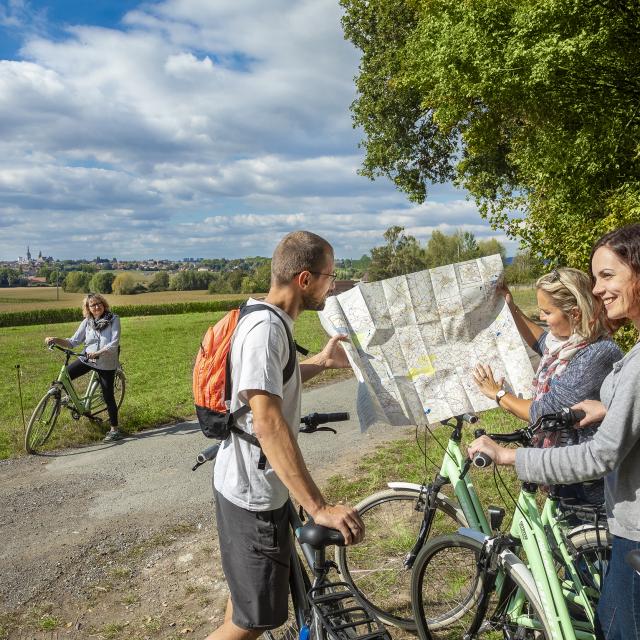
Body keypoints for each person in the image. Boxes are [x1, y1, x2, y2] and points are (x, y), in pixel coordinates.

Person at [469, 223, 640, 640]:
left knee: (616, 626)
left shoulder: (604, 354)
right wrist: (609, 407)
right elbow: (539, 339)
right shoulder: (590, 349)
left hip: (632, 528)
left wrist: (510, 455)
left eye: (607, 275)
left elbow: (600, 454)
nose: (599, 289)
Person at [207, 231, 364, 640]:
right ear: (305, 279)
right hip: (252, 493)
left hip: (261, 488)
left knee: (246, 605)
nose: (333, 285)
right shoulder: (266, 332)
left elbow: (270, 383)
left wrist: (321, 362)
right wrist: (318, 506)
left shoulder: (267, 318)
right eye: (330, 276)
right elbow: (267, 423)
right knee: (255, 620)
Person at [473, 268, 622, 507]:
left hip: (583, 476)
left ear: (574, 313)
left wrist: (498, 394)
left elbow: (543, 410)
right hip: (564, 464)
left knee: (575, 537)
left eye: (547, 312)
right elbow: (541, 341)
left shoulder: (595, 354)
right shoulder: (568, 342)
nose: (541, 317)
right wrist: (511, 305)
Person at [45, 293, 122, 442]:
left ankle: (114, 430)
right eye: (92, 305)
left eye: (98, 303)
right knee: (65, 375)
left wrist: (98, 353)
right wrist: (55, 339)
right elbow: (73, 342)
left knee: (108, 396)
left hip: (106, 362)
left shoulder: (114, 319)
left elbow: (114, 343)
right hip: (87, 359)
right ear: (88, 308)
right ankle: (71, 399)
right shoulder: (87, 321)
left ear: (104, 304)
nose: (96, 307)